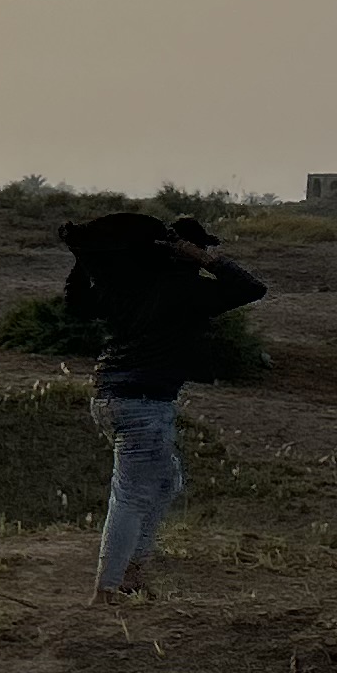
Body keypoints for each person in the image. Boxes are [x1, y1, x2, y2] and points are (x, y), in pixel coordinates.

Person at [56, 211, 265, 607]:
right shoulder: (187, 291)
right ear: (183, 252)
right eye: (200, 247)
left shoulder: (129, 285)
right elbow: (252, 288)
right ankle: (107, 589)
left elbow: (77, 301)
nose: (205, 252)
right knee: (133, 494)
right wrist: (202, 259)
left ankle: (130, 575)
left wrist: (83, 260)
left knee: (164, 483)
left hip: (110, 396)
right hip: (143, 402)